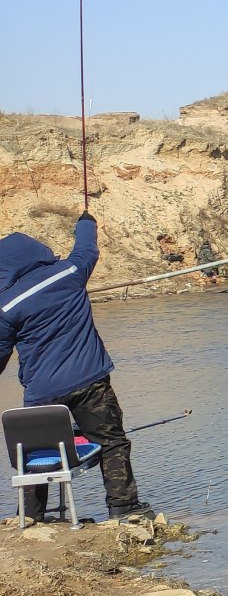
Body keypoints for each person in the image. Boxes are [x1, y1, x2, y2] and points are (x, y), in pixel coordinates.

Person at [0, 213, 151, 522]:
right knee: (112, 441)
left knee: (36, 452)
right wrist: (86, 222)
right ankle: (123, 507)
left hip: (41, 393)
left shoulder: (6, 306)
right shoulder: (70, 272)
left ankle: (30, 516)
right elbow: (87, 248)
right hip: (90, 382)